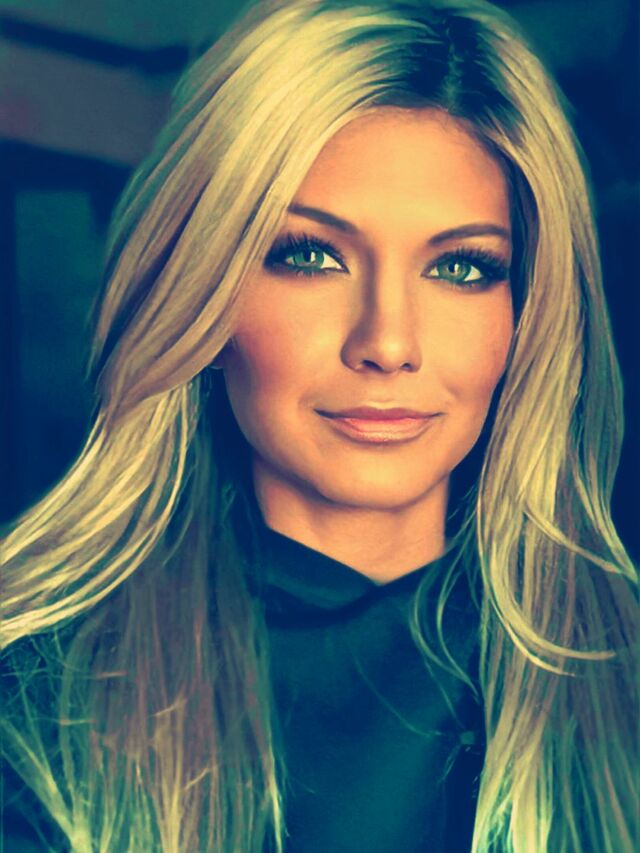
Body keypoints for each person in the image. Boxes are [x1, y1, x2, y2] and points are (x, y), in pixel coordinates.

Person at [1, 0, 638, 850]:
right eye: (309, 255)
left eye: (461, 266)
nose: (388, 342)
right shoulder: (35, 700)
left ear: (528, 314)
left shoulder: (618, 678)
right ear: (204, 291)